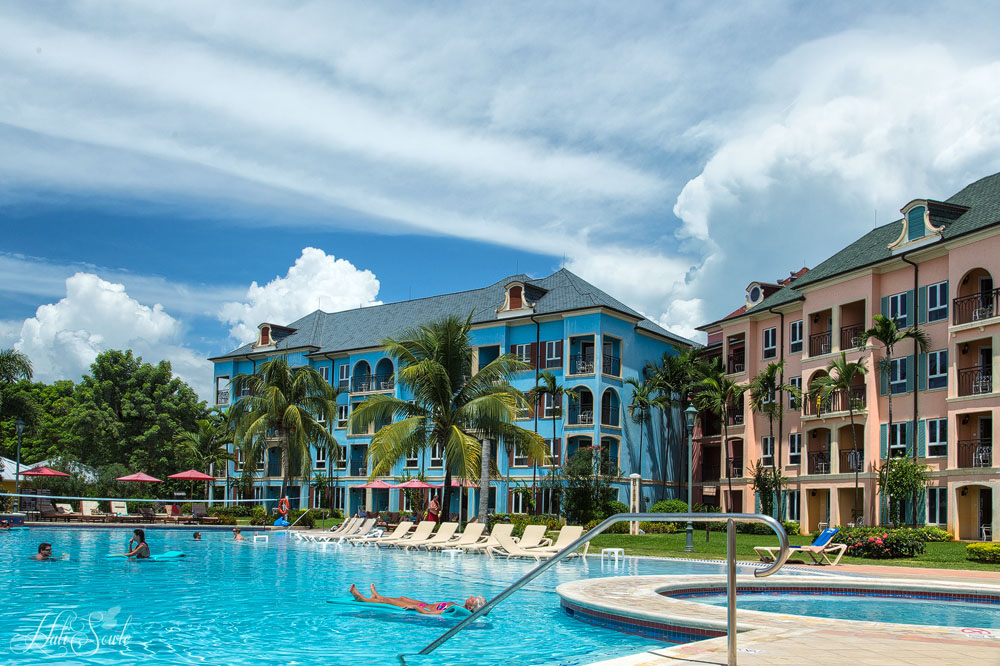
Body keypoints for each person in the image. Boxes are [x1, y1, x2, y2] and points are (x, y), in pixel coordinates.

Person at [349, 584, 486, 615]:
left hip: (423, 608)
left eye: (473, 599)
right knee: (402, 598)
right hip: (426, 604)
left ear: (470, 608)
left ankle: (362, 599)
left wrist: (416, 608)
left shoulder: (456, 610)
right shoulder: (460, 607)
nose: (472, 597)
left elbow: (431, 614)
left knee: (390, 603)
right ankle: (377, 597)